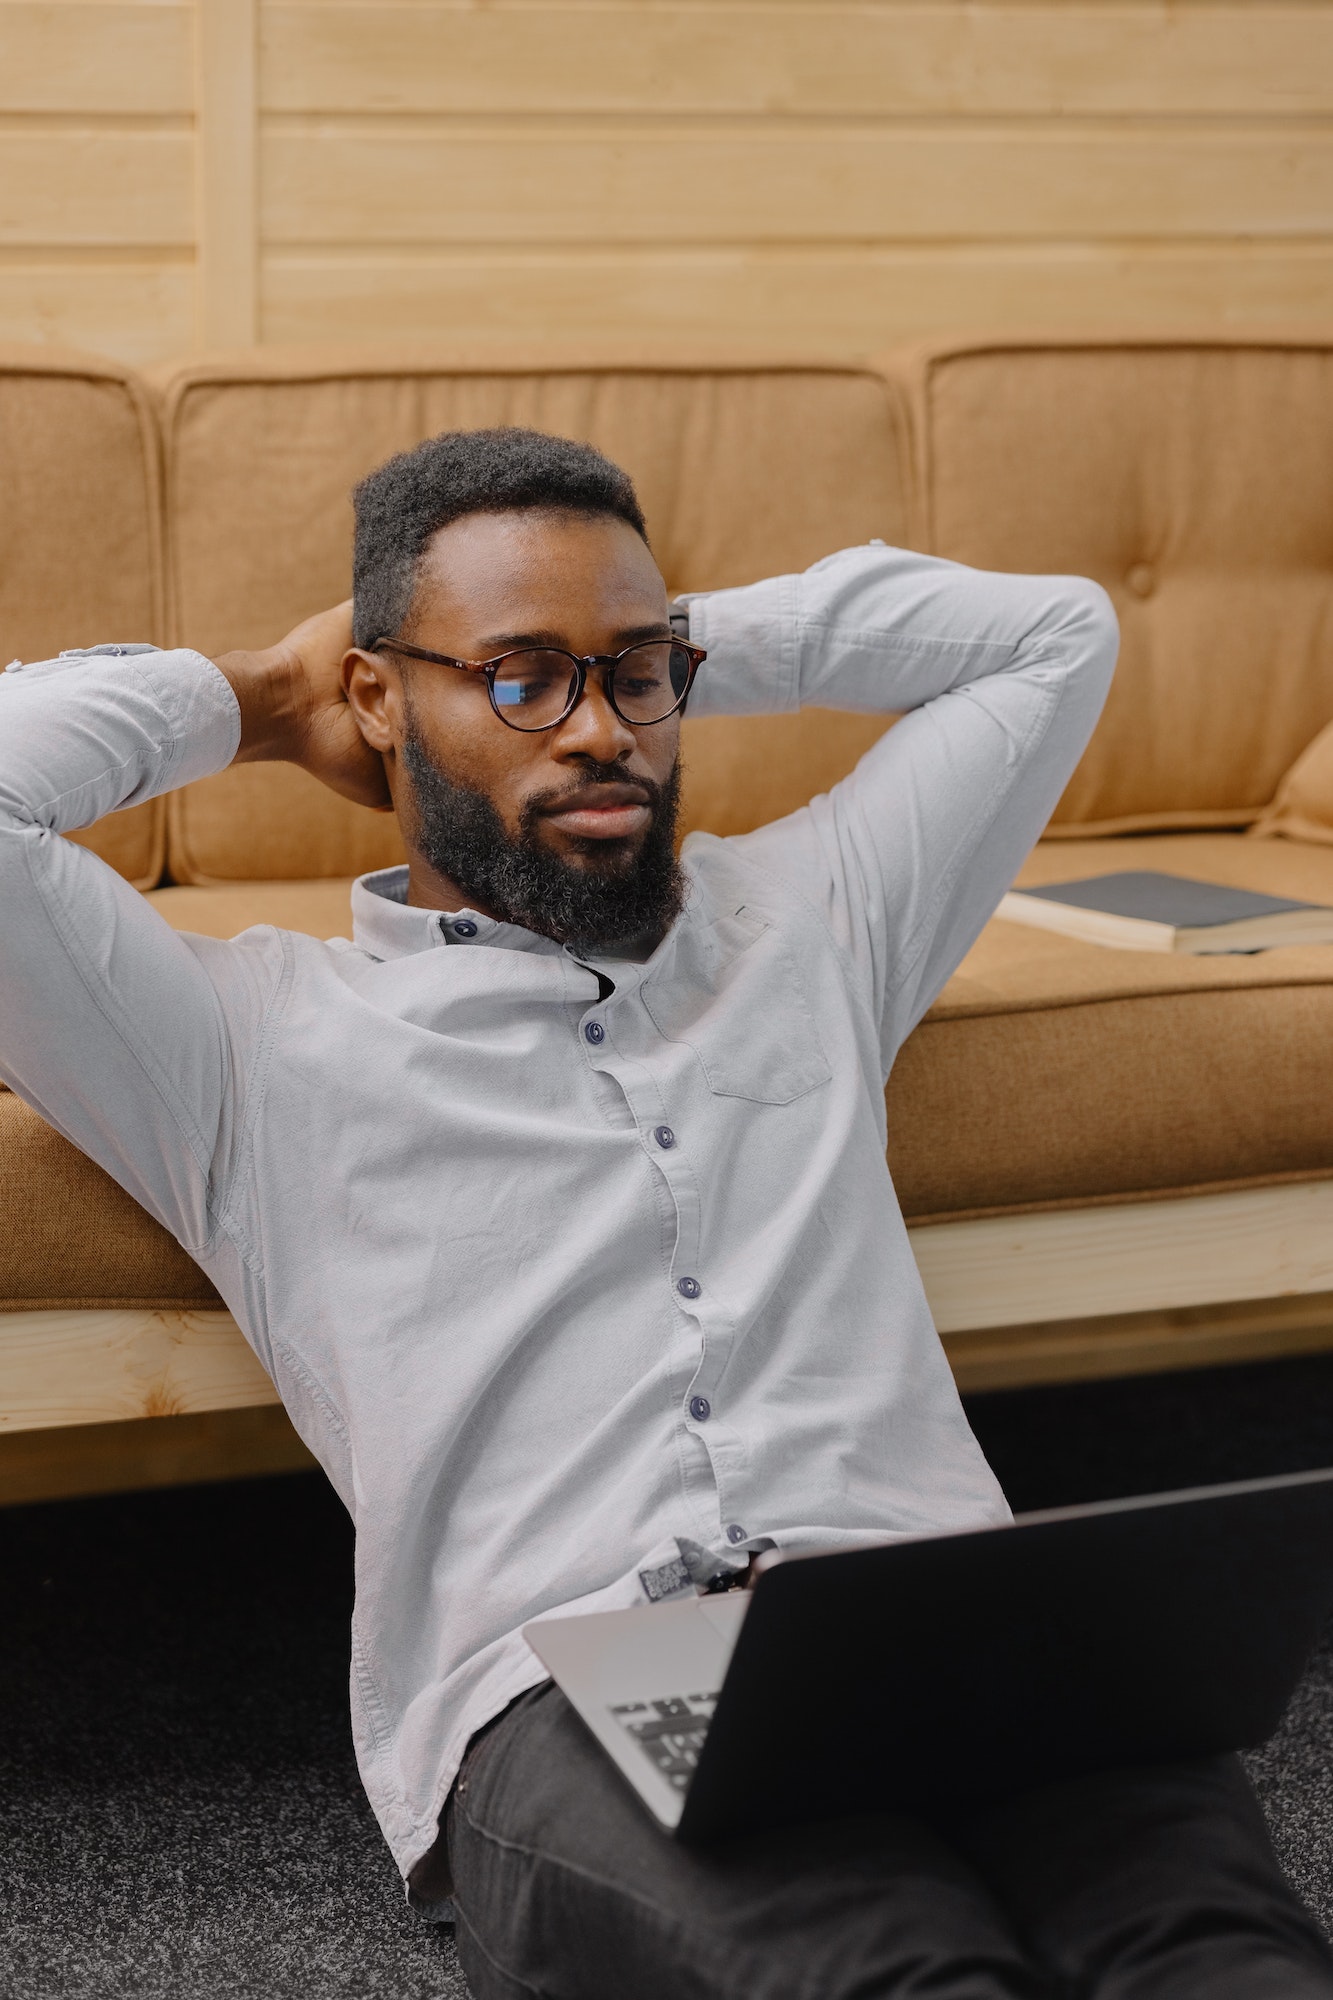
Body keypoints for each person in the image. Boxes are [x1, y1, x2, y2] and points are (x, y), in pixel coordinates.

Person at [1, 427, 1328, 1999]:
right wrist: (265, 696)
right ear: (380, 698)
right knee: (900, 1967)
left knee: (1226, 1961)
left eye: (636, 681)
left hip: (946, 1609)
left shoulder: (812, 922)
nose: (600, 734)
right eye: (519, 681)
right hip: (571, 1684)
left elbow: (1053, 633)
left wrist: (637, 633)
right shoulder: (245, 1046)